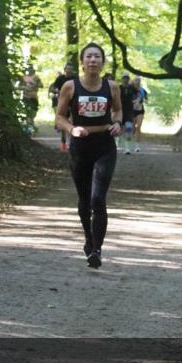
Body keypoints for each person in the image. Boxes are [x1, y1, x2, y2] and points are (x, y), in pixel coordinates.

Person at [55, 42, 123, 269]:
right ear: (82, 62)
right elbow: (59, 117)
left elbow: (118, 110)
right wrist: (71, 129)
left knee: (98, 198)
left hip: (104, 146)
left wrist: (117, 123)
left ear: (103, 62)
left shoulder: (111, 87)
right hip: (80, 147)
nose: (93, 60)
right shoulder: (70, 86)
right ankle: (88, 237)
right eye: (89, 57)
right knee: (84, 199)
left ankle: (97, 250)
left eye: (97, 57)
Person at [49, 62, 76, 151]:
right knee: (64, 124)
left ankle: (72, 143)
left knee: (73, 123)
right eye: (68, 69)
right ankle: (63, 142)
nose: (69, 71)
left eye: (71, 69)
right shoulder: (60, 79)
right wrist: (57, 91)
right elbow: (52, 88)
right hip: (62, 103)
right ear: (65, 70)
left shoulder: (76, 79)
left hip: (73, 104)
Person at [19, 65, 42, 134]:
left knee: (33, 113)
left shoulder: (36, 77)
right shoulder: (24, 77)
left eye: (31, 69)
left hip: (34, 97)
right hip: (26, 97)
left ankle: (31, 127)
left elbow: (41, 85)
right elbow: (19, 86)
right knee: (27, 113)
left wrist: (35, 84)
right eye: (28, 69)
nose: (30, 70)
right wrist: (24, 87)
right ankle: (28, 129)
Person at [118, 73, 137, 154]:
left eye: (127, 78)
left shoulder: (132, 88)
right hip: (120, 111)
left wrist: (136, 102)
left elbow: (137, 96)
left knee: (128, 129)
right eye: (124, 78)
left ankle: (127, 148)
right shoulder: (118, 88)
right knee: (118, 129)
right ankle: (116, 145)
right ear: (122, 79)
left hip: (129, 111)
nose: (125, 80)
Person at [131, 76, 148, 151]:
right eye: (136, 80)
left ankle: (137, 146)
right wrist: (134, 102)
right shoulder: (130, 90)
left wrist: (143, 100)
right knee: (132, 128)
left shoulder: (143, 90)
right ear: (133, 81)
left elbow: (147, 100)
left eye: (139, 80)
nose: (137, 81)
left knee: (139, 127)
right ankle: (129, 144)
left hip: (140, 111)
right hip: (132, 110)